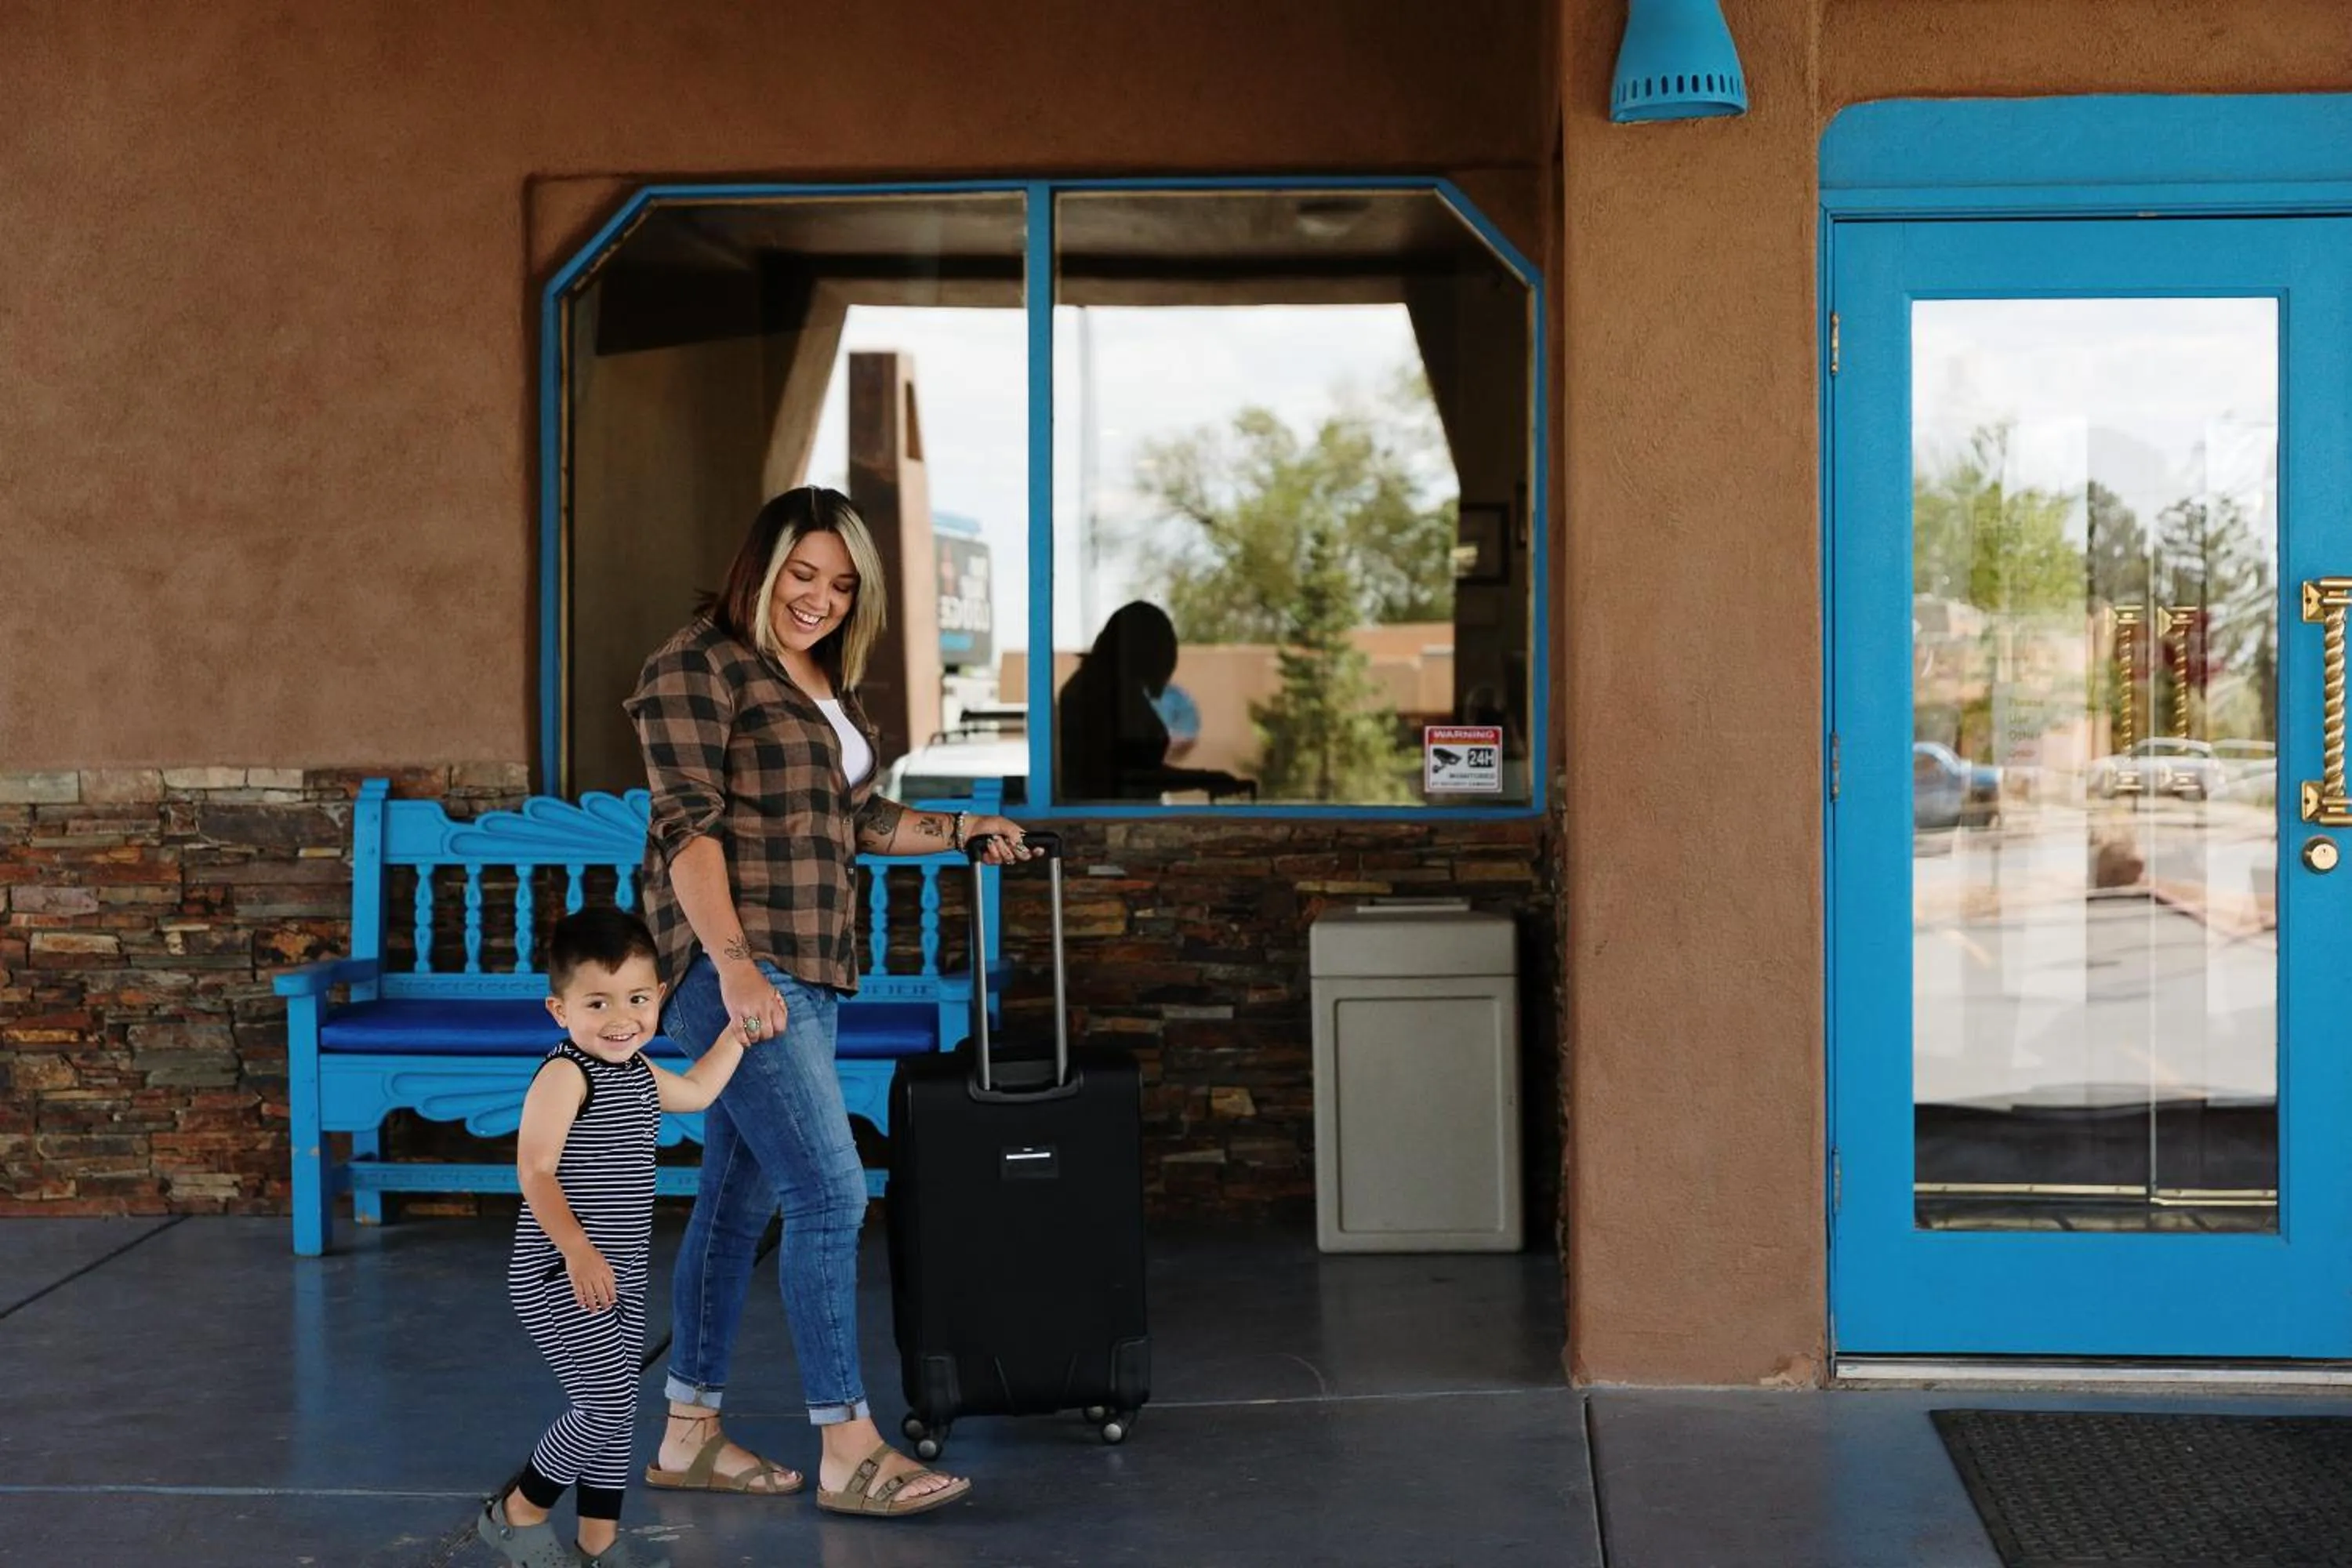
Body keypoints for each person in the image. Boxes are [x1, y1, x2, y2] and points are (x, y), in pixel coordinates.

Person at [625, 485, 1030, 1520]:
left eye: (842, 584)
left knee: (738, 1201)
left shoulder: (821, 680)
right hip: (739, 972)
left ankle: (688, 1435)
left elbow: (856, 816)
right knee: (832, 1193)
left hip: (807, 966)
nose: (819, 598)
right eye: (802, 574)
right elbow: (689, 830)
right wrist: (732, 965)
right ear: (756, 565)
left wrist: (961, 830)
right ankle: (848, 1446)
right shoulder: (697, 663)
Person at [477, 906, 752, 1568]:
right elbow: (535, 1171)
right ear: (559, 1009)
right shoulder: (566, 1074)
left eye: (636, 998)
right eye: (597, 1003)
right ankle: (519, 1512)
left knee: (619, 1409)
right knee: (602, 1406)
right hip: (560, 1270)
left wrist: (739, 1035)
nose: (620, 1018)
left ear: (658, 997)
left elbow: (696, 1090)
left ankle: (597, 1542)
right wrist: (576, 1249)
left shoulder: (636, 1071)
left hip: (615, 1273)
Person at [1058, 600, 1250, 801]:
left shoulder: (1111, 688)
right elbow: (1125, 775)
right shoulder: (1098, 691)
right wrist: (1203, 779)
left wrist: (1203, 779)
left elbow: (1135, 771)